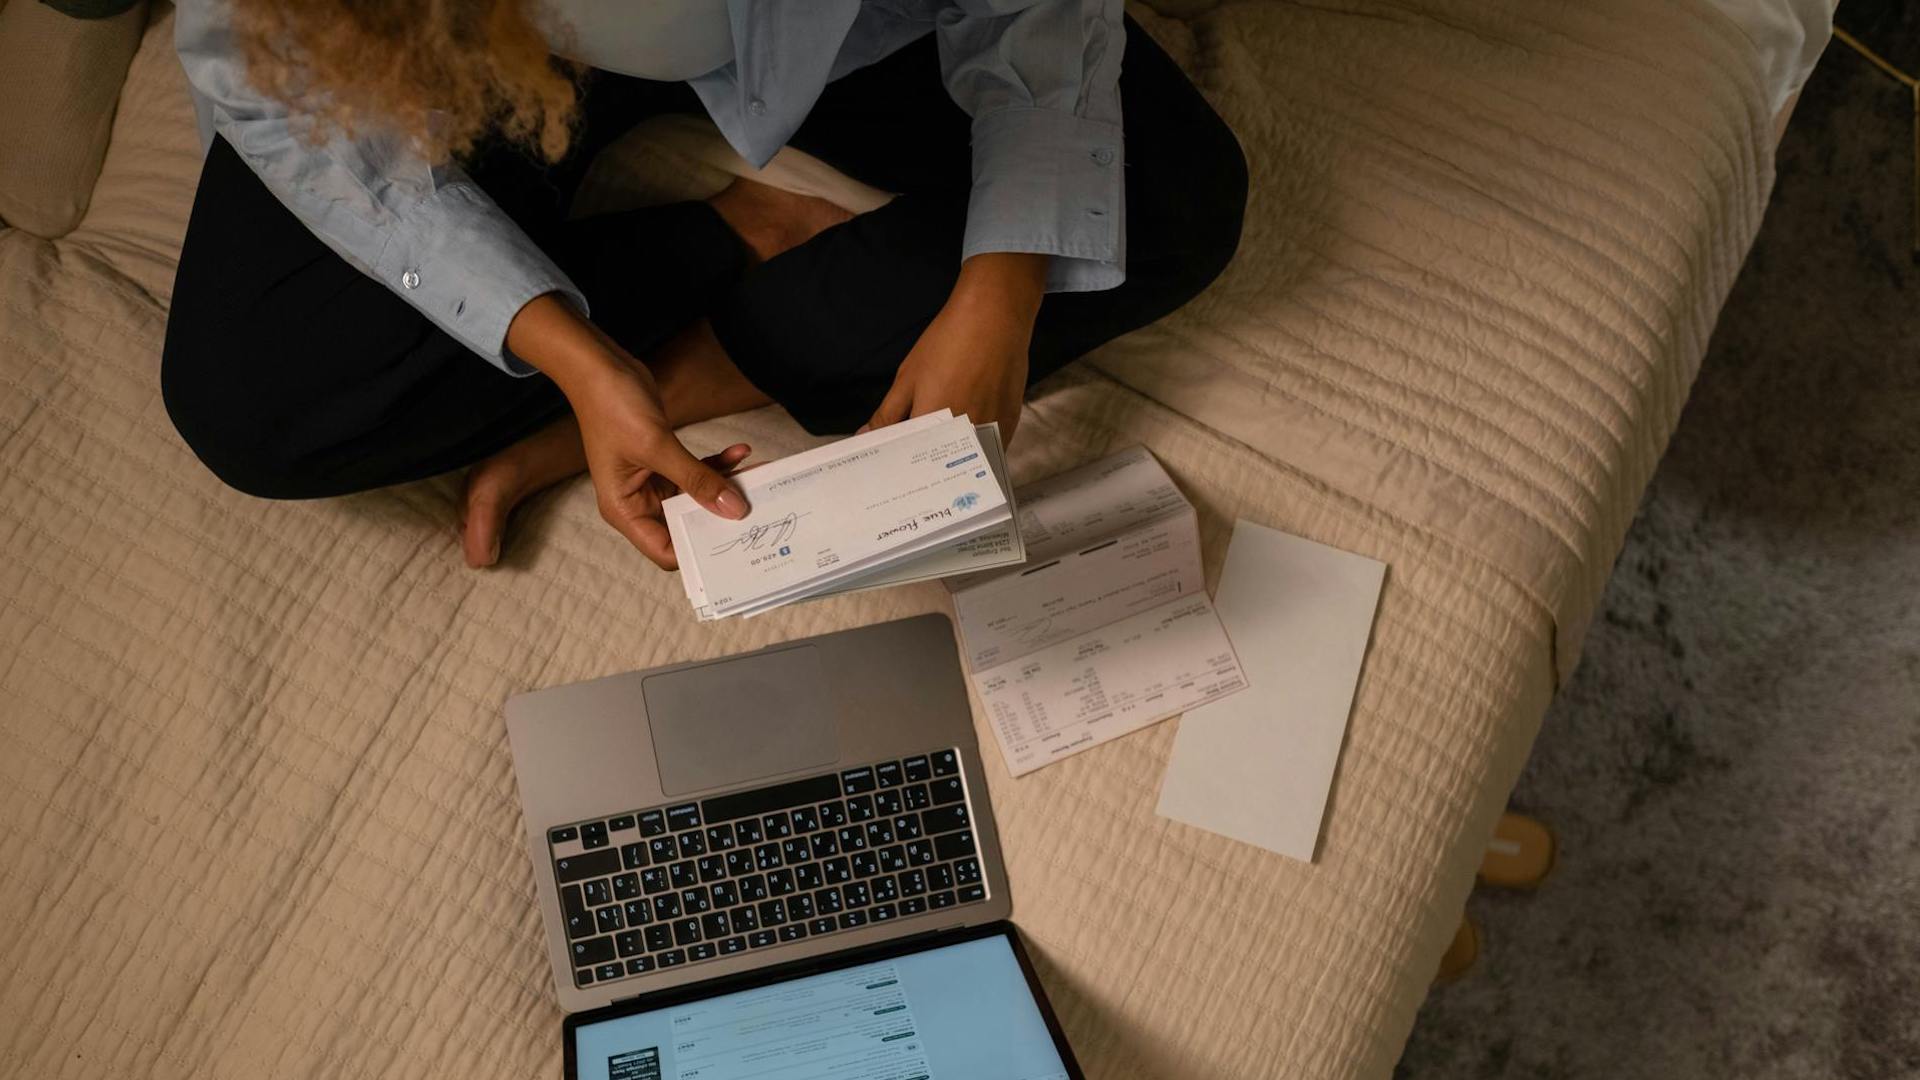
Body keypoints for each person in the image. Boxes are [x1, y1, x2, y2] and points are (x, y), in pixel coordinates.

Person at [162, 0, 1248, 570]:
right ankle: (728, 242)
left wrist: (1002, 289)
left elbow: (1036, 12)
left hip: (832, 24)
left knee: (1164, 195)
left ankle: (687, 372)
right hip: (474, 52)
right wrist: (570, 356)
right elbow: (270, 92)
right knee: (250, 398)